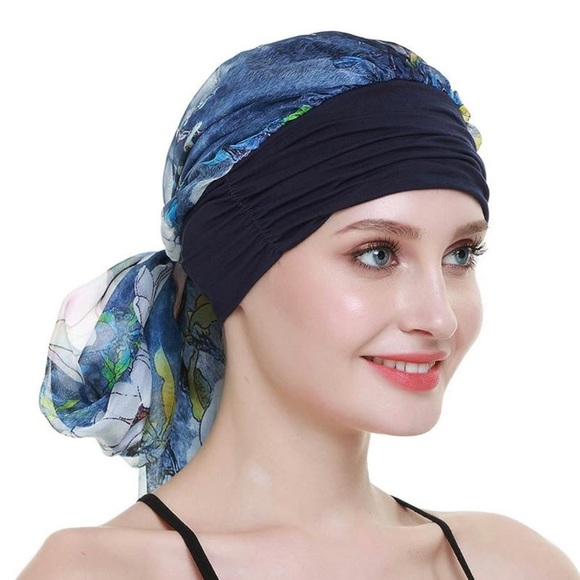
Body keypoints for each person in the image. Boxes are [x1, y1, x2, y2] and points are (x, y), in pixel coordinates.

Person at [19, 31, 578, 579]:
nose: (440, 318)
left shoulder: (515, 565)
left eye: (460, 254)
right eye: (377, 254)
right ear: (233, 265)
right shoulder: (95, 573)